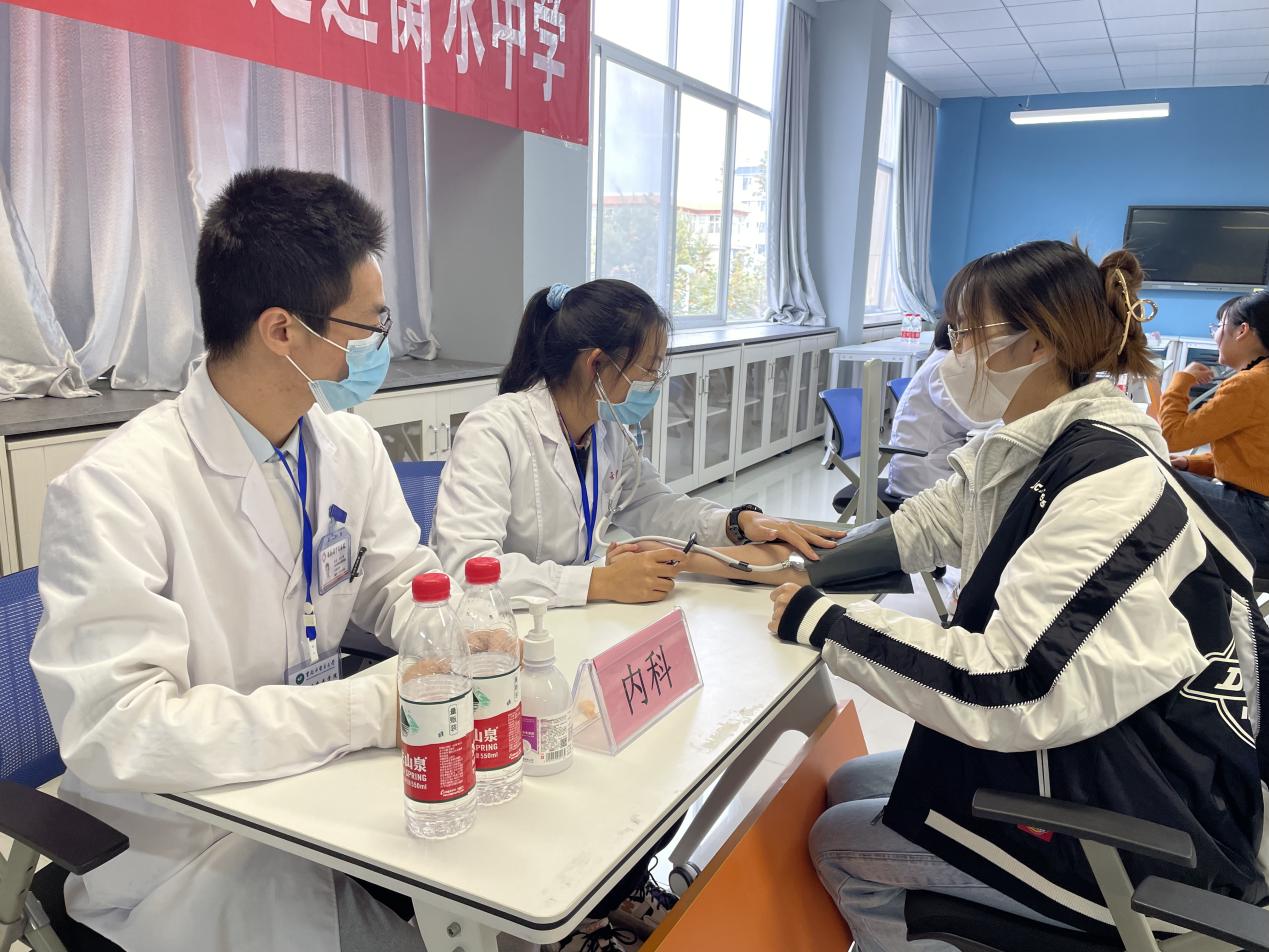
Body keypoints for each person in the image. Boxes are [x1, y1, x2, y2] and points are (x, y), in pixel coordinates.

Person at [764, 241, 1268, 950]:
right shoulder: (1053, 443)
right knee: (852, 781)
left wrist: (821, 621)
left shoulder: (1106, 486)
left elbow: (1013, 685)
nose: (950, 353)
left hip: (1140, 824)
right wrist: (794, 561)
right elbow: (931, 523)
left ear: (1035, 343)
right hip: (1101, 747)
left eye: (964, 332)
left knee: (837, 839)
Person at [31, 169, 442, 952]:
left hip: (316, 793)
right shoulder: (115, 490)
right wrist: (363, 708)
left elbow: (396, 576)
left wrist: (456, 631)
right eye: (368, 325)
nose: (378, 347)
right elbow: (120, 730)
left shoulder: (346, 444)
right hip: (184, 848)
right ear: (283, 330)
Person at [431, 278, 841, 609]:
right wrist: (599, 582)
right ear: (596, 364)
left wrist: (734, 523)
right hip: (501, 630)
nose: (654, 383)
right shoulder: (494, 431)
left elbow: (654, 505)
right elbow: (468, 569)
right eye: (649, 369)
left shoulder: (605, 430)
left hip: (571, 617)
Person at [1161, 289, 1269, 573]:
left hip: (1259, 519)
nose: (1215, 335)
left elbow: (1171, 437)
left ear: (1242, 330)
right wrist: (1190, 463)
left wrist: (1182, 380)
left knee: (1151, 474)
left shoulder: (1249, 384)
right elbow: (1255, 458)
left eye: (1219, 326)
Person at [882, 316, 981, 504]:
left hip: (927, 465)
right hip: (923, 476)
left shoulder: (943, 360)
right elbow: (972, 417)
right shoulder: (944, 366)